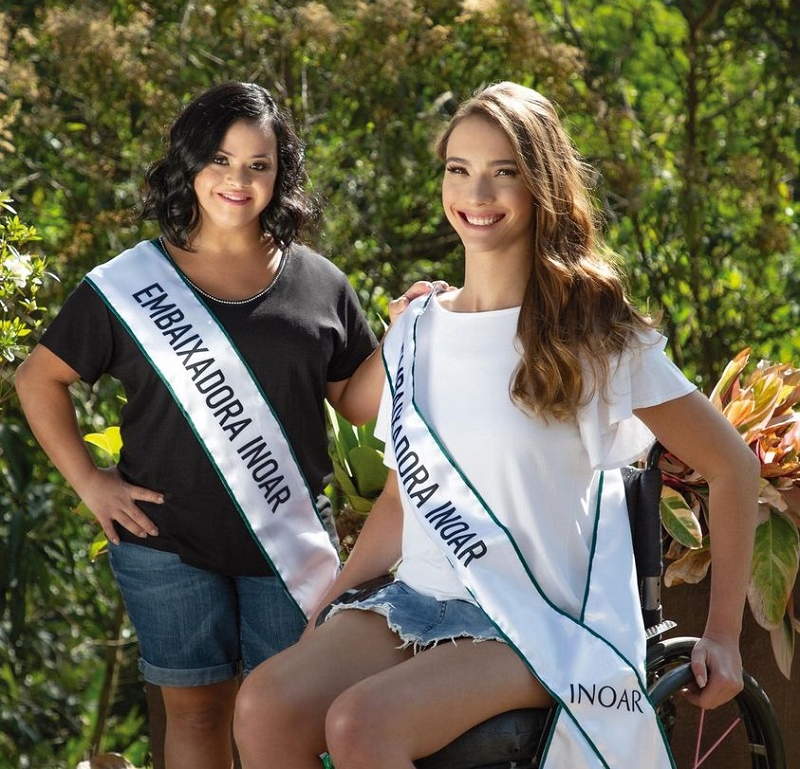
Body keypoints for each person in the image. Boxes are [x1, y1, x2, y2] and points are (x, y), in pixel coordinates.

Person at [231, 82, 760, 769]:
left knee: (361, 723)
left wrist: (723, 635)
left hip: (537, 622)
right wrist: (326, 612)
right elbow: (401, 498)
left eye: (502, 172)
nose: (476, 193)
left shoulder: (594, 333)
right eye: (460, 170)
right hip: (417, 603)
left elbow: (732, 465)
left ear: (541, 184)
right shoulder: (415, 330)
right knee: (264, 701)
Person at [14, 81, 436, 769]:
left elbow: (357, 403)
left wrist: (400, 331)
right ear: (189, 162)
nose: (237, 180)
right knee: (196, 710)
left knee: (289, 714)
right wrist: (92, 485)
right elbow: (39, 378)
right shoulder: (128, 283)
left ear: (281, 173)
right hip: (165, 544)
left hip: (287, 545)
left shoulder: (319, 282)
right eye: (219, 159)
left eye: (258, 164)